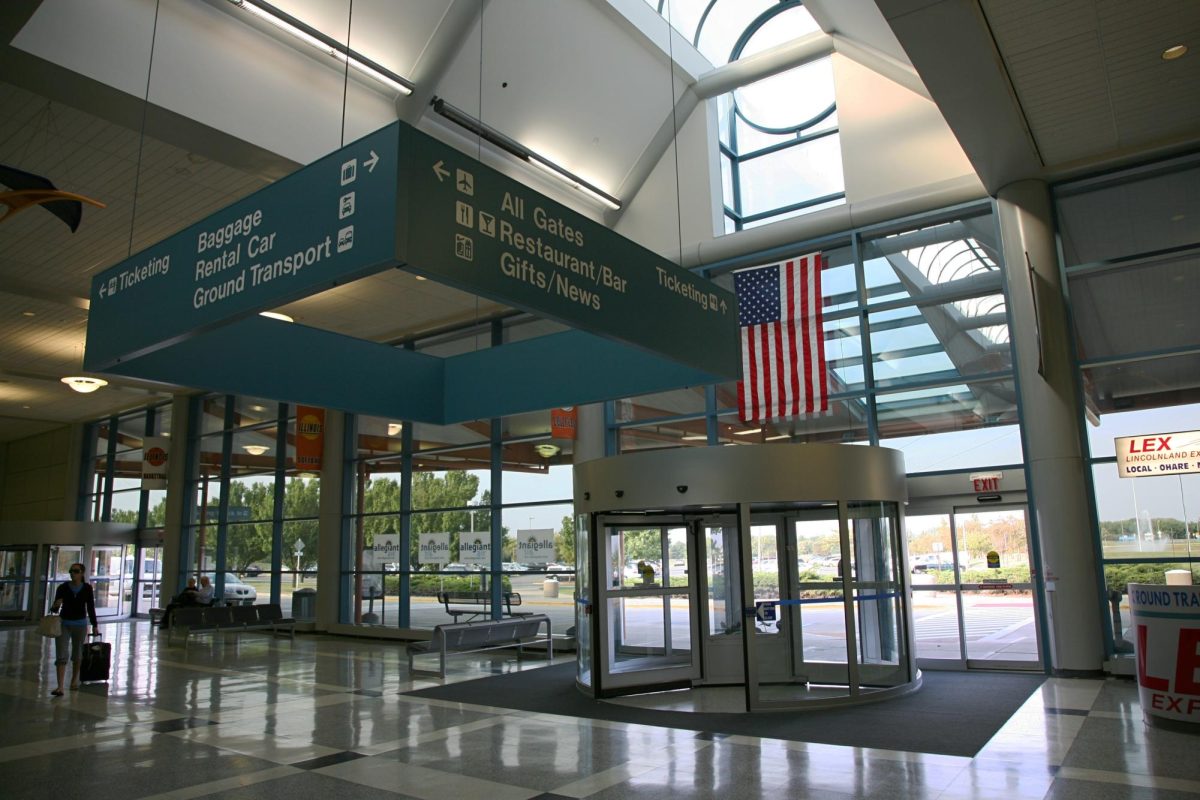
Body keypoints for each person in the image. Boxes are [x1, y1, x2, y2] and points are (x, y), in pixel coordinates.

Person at [49, 562, 99, 696]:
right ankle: (60, 687)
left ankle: (74, 680)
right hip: (64, 623)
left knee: (77, 654)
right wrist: (56, 605)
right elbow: (54, 609)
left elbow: (90, 607)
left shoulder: (87, 588)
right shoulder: (63, 588)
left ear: (82, 573)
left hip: (80, 625)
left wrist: (94, 625)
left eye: (76, 571)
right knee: (61, 654)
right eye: (71, 571)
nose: (72, 574)